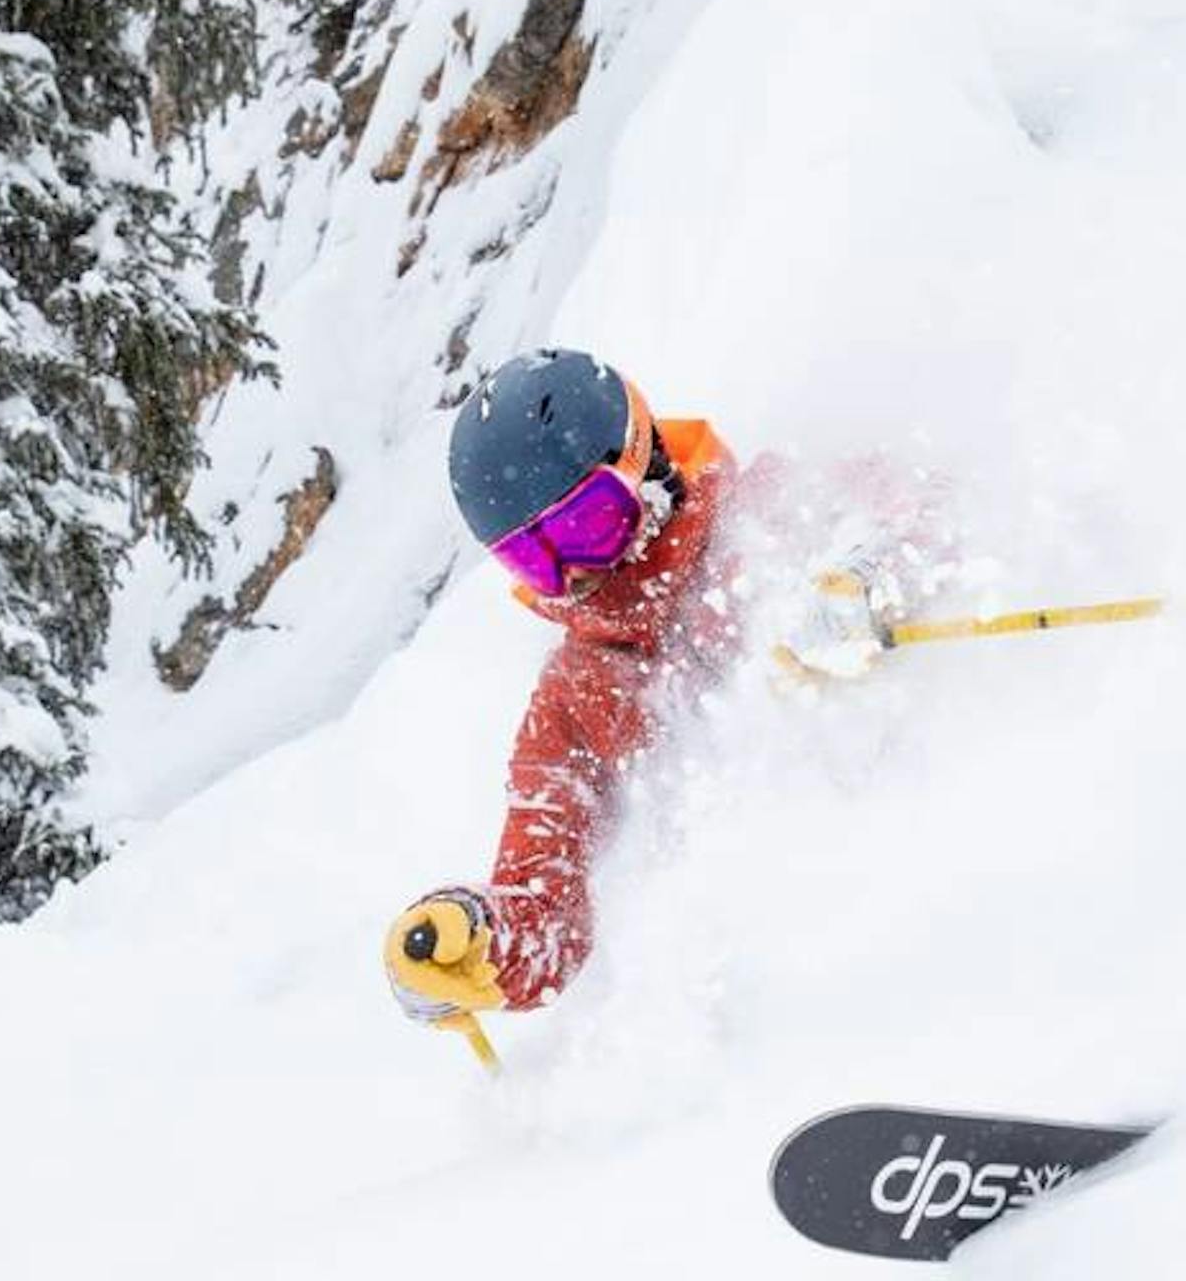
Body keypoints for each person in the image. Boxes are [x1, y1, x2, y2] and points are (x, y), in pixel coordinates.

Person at [381, 347, 909, 1034]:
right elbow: (545, 904)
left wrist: (871, 574)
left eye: (585, 527)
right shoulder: (574, 701)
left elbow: (938, 507)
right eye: (534, 559)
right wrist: (482, 943)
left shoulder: (776, 510)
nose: (573, 575)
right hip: (794, 980)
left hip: (920, 855)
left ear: (645, 466)